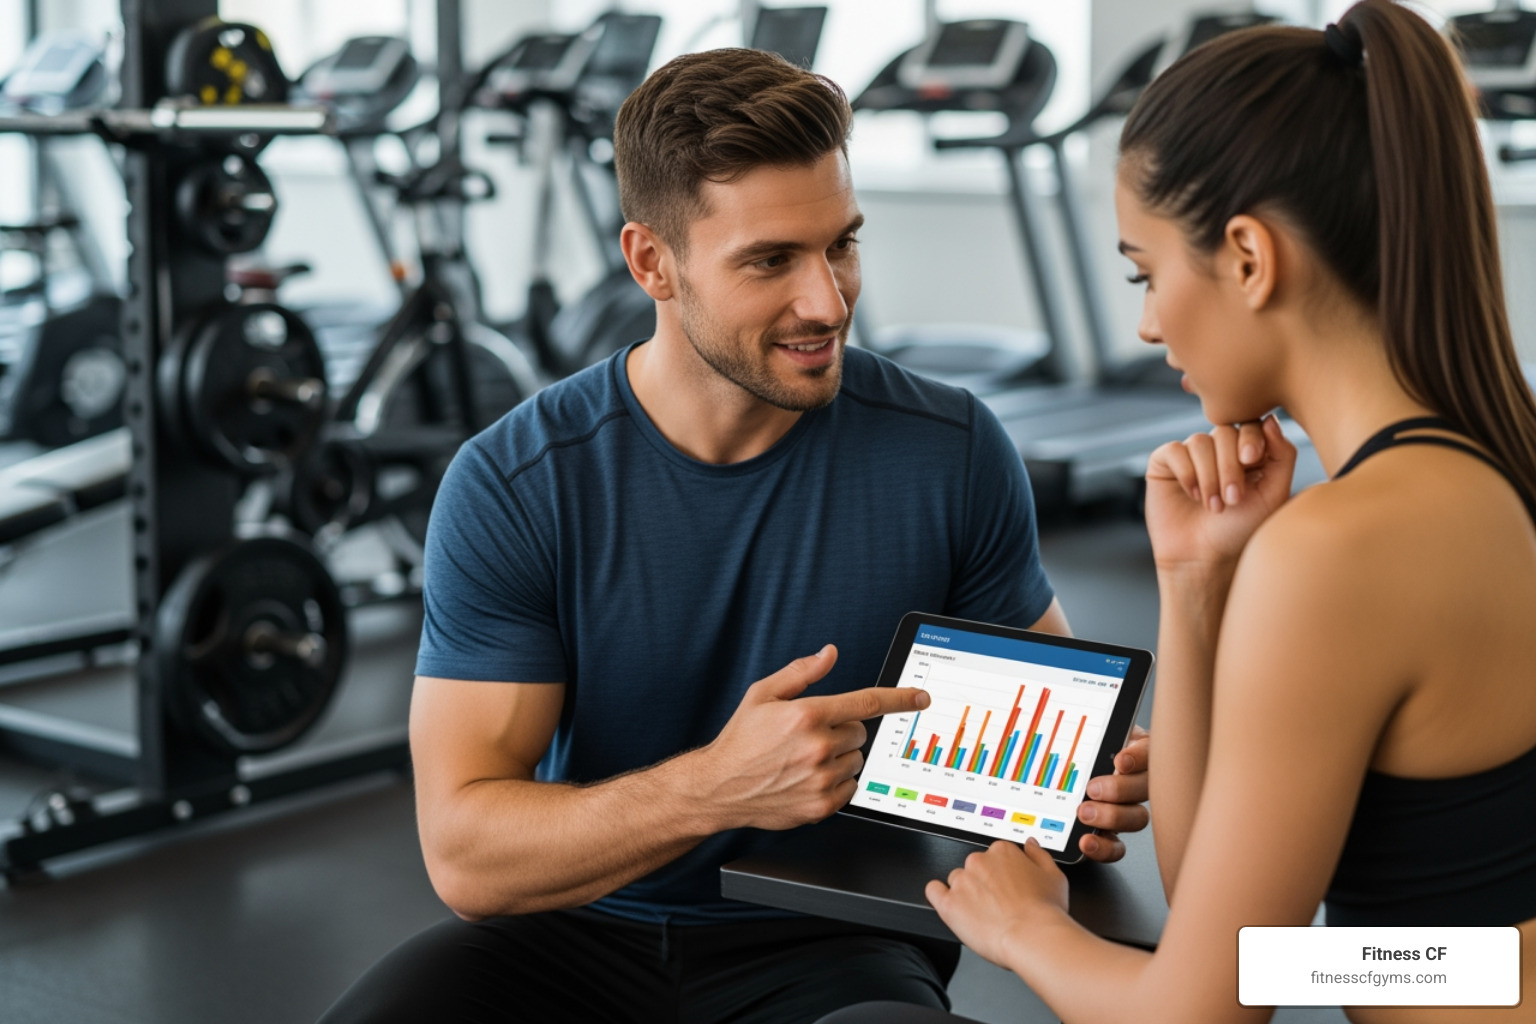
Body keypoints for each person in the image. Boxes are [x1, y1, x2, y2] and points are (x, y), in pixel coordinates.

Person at [317, 47, 1152, 1024]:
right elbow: (464, 854)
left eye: (841, 244)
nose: (828, 301)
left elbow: (1052, 742)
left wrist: (1085, 791)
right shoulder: (517, 482)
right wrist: (717, 786)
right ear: (650, 262)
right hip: (571, 933)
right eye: (771, 261)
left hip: (833, 943)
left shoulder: (951, 449)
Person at [821, 3, 1536, 1023]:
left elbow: (1197, 1011)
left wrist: (1028, 929)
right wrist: (1197, 583)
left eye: (1145, 272)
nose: (1150, 324)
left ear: (1248, 257)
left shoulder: (1346, 547)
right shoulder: (1483, 467)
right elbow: (1245, 933)